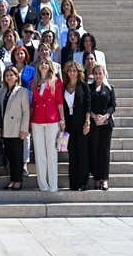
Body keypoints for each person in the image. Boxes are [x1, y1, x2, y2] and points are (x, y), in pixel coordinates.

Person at [29, 55, 65, 192]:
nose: (43, 65)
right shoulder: (34, 82)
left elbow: (60, 101)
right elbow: (32, 103)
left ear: (50, 66)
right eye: (41, 63)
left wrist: (62, 119)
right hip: (37, 120)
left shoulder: (56, 81)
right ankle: (43, 185)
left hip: (52, 119)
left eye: (46, 63)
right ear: (38, 66)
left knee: (51, 153)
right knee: (39, 154)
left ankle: (53, 185)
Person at [60, 60, 93, 191]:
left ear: (78, 72)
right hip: (69, 125)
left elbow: (88, 104)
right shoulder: (64, 87)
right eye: (70, 70)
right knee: (72, 154)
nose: (72, 73)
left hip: (81, 124)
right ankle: (73, 183)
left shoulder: (83, 86)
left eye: (74, 70)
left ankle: (83, 183)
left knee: (82, 153)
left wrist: (87, 121)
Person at [86, 55, 117, 191]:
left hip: (106, 124)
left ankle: (104, 179)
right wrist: (93, 116)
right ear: (93, 74)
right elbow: (87, 104)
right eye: (96, 73)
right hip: (93, 123)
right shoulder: (89, 88)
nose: (98, 75)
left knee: (104, 152)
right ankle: (96, 178)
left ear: (104, 74)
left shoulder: (109, 88)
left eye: (100, 73)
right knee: (94, 151)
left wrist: (104, 116)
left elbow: (113, 105)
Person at [0, 65, 30, 190]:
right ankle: (12, 178)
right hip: (6, 128)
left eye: (11, 75)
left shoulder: (22, 91)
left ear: (17, 76)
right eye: (7, 75)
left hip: (17, 128)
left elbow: (26, 112)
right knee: (10, 156)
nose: (9, 77)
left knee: (17, 155)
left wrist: (24, 129)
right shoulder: (2, 91)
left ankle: (18, 180)